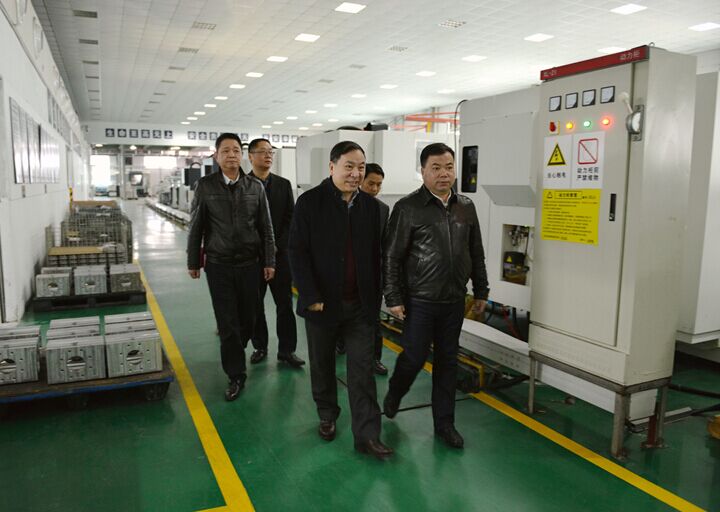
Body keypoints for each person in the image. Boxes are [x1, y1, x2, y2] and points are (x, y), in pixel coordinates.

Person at [288, 141, 393, 460]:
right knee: (322, 365)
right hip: (322, 303)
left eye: (361, 167)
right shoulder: (310, 203)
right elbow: (297, 251)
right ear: (332, 166)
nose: (356, 173)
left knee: (362, 371)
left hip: (360, 306)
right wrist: (310, 295)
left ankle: (367, 435)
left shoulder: (374, 209)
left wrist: (384, 296)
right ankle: (327, 414)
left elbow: (382, 257)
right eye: (349, 166)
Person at [382, 142, 489, 449]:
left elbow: (476, 251)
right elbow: (391, 256)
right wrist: (393, 297)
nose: (444, 174)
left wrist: (481, 290)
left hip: (454, 299)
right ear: (423, 171)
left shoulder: (466, 206)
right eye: (436, 168)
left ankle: (445, 424)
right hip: (420, 300)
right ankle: (395, 392)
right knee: (414, 357)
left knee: (447, 362)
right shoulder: (408, 207)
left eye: (449, 167)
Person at [187, 133, 275, 401]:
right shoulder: (205, 186)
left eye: (236, 150)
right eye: (225, 151)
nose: (231, 155)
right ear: (216, 156)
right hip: (219, 264)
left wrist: (269, 260)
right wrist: (194, 260)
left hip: (250, 264)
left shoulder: (255, 187)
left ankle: (237, 347)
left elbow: (266, 227)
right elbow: (196, 225)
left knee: (249, 318)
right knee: (227, 322)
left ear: (242, 155)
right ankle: (236, 374)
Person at [246, 138, 305, 368]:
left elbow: (291, 218)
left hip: (280, 256)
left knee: (285, 305)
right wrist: (260, 248)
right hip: (253, 257)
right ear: (250, 156)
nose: (268, 156)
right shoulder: (242, 185)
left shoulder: (283, 184)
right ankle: (260, 346)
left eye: (271, 152)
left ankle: (287, 350)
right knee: (255, 305)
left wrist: (277, 246)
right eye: (262, 152)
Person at [359, 163, 389, 375]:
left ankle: (374, 358)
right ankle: (341, 343)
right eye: (371, 184)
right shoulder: (346, 205)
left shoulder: (382, 210)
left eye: (379, 185)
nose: (375, 189)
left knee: (374, 319)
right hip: (348, 274)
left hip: (373, 275)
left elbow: (385, 245)